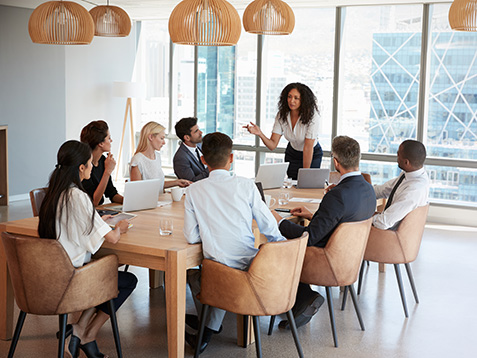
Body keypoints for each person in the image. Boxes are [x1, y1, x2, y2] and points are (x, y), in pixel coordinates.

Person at [183, 132, 285, 354]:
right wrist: (284, 249)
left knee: (201, 271)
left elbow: (191, 237)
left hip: (220, 273)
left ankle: (206, 330)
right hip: (253, 268)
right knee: (224, 267)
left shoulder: (193, 191)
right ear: (232, 158)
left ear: (203, 160)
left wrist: (211, 231)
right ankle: (208, 329)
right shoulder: (246, 186)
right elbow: (269, 226)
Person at [38, 140, 137, 358]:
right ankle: (86, 333)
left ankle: (78, 331)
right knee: (126, 280)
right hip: (72, 280)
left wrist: (98, 219)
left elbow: (76, 224)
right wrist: (119, 227)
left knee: (107, 274)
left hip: (48, 277)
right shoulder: (78, 196)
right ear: (81, 167)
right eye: (91, 164)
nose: (93, 167)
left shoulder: (54, 193)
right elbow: (111, 238)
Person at [272, 135, 376, 329]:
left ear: (335, 162)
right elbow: (344, 223)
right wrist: (313, 215)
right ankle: (300, 301)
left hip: (325, 259)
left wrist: (278, 221)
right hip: (348, 260)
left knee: (275, 247)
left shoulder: (338, 195)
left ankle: (305, 297)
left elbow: (309, 238)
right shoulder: (368, 189)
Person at [245, 82, 323, 180]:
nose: (291, 101)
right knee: (292, 184)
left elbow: (308, 147)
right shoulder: (282, 115)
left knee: (307, 184)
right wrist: (259, 133)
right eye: (289, 97)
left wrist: (305, 174)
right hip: (292, 153)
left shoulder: (312, 116)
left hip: (311, 154)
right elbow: (272, 145)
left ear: (303, 100)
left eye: (296, 98)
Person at [373, 140, 429, 230]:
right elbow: (383, 190)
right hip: (387, 225)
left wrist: (365, 220)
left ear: (406, 162)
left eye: (398, 154)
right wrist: (361, 190)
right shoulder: (408, 175)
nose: (397, 157)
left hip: (388, 234)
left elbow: (383, 223)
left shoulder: (414, 189)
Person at [130, 121, 191, 192]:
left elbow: (158, 185)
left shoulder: (157, 156)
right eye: (161, 138)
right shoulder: (137, 160)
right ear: (151, 137)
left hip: (159, 200)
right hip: (147, 202)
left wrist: (177, 182)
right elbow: (136, 191)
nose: (164, 142)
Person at [80, 120, 123, 206]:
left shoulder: (103, 160)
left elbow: (112, 193)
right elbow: (94, 202)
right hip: (90, 212)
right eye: (109, 138)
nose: (111, 141)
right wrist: (107, 172)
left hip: (99, 211)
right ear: (101, 143)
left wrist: (130, 202)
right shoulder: (84, 166)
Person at [173, 117, 209, 182]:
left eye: (199, 129)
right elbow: (191, 182)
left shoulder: (200, 146)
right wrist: (212, 167)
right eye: (196, 131)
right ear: (187, 137)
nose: (201, 132)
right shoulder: (180, 158)